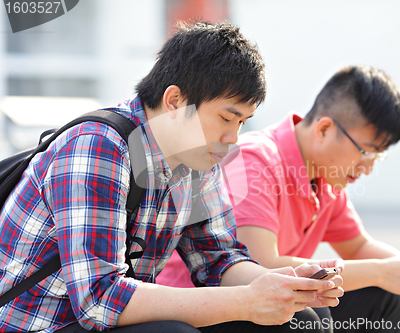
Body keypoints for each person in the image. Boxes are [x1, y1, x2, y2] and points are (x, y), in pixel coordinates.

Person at [0, 21, 344, 333]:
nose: (233, 137)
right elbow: (98, 301)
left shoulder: (197, 157)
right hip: (40, 324)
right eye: (227, 117)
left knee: (300, 321)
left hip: (104, 318)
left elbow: (218, 260)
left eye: (242, 122)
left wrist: (285, 283)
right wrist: (248, 301)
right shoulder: (97, 147)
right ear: (175, 101)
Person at [158, 65, 400, 332]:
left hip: (266, 300)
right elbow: (261, 266)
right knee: (309, 315)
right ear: (325, 129)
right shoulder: (254, 159)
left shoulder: (326, 178)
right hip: (204, 308)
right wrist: (383, 271)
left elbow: (358, 246)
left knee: (381, 298)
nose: (368, 166)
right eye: (366, 151)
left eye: (379, 156)